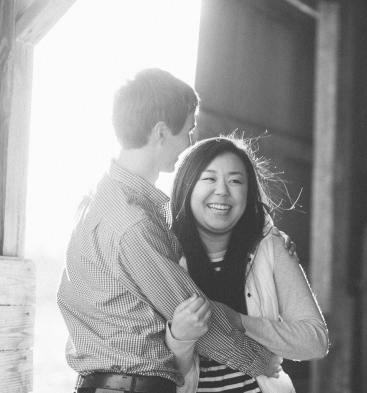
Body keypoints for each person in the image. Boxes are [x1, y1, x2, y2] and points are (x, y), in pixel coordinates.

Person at [57, 69, 285, 393]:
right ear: (161, 132)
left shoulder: (99, 199)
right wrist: (262, 362)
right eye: (188, 131)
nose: (190, 143)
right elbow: (195, 315)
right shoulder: (132, 224)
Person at [165, 136, 329, 392]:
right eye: (209, 178)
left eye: (235, 180)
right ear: (186, 186)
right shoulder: (163, 255)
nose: (222, 190)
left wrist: (239, 321)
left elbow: (315, 341)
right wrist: (180, 338)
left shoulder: (271, 248)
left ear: (248, 192)